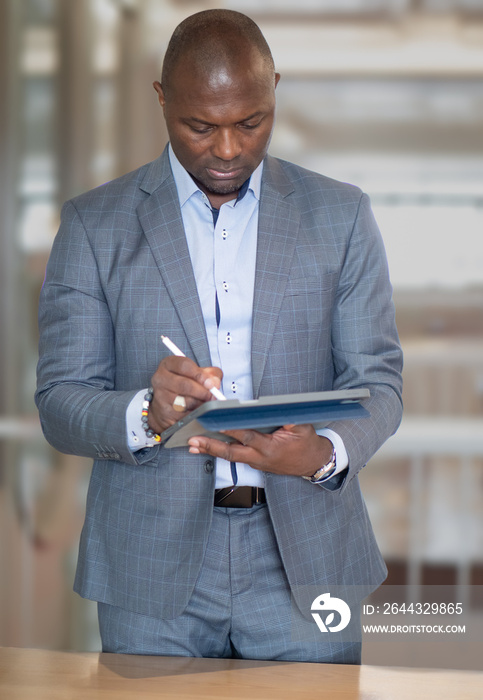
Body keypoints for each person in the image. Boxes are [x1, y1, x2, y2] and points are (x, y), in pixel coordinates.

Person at [36, 9, 403, 663]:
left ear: (273, 93)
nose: (228, 149)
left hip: (306, 554)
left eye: (250, 122)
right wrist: (146, 414)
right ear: (161, 98)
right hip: (148, 567)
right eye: (199, 126)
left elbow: (375, 380)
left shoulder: (340, 215)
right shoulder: (94, 226)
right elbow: (62, 403)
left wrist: (322, 453)